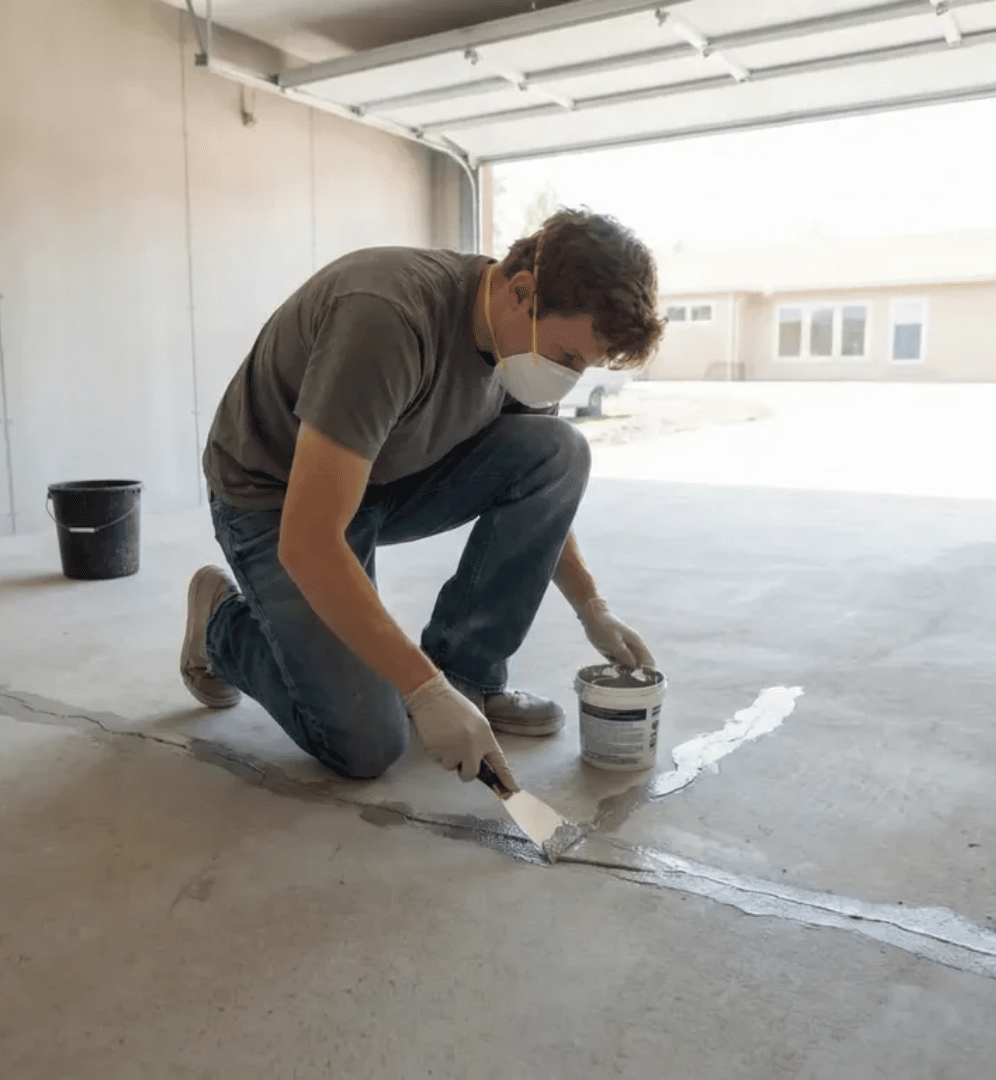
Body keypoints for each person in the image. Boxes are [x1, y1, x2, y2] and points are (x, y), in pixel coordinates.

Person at [179, 207, 664, 788]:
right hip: (276, 498)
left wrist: (592, 606)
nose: (566, 377)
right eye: (565, 359)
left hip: (387, 476)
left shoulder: (522, 348)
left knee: (560, 450)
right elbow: (308, 541)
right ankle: (220, 624)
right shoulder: (387, 318)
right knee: (366, 744)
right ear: (521, 290)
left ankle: (468, 678)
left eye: (580, 366)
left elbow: (540, 482)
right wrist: (422, 689)